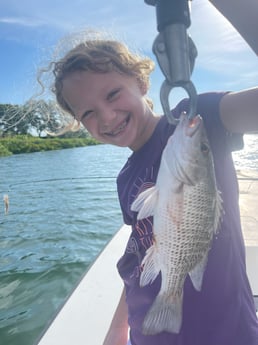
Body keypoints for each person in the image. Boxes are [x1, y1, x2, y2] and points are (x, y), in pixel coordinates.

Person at [42, 4, 258, 345]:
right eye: (89, 113)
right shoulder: (126, 179)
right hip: (147, 334)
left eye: (113, 94)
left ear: (142, 82)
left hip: (226, 334)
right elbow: (140, 256)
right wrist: (118, 328)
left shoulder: (196, 119)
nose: (108, 116)